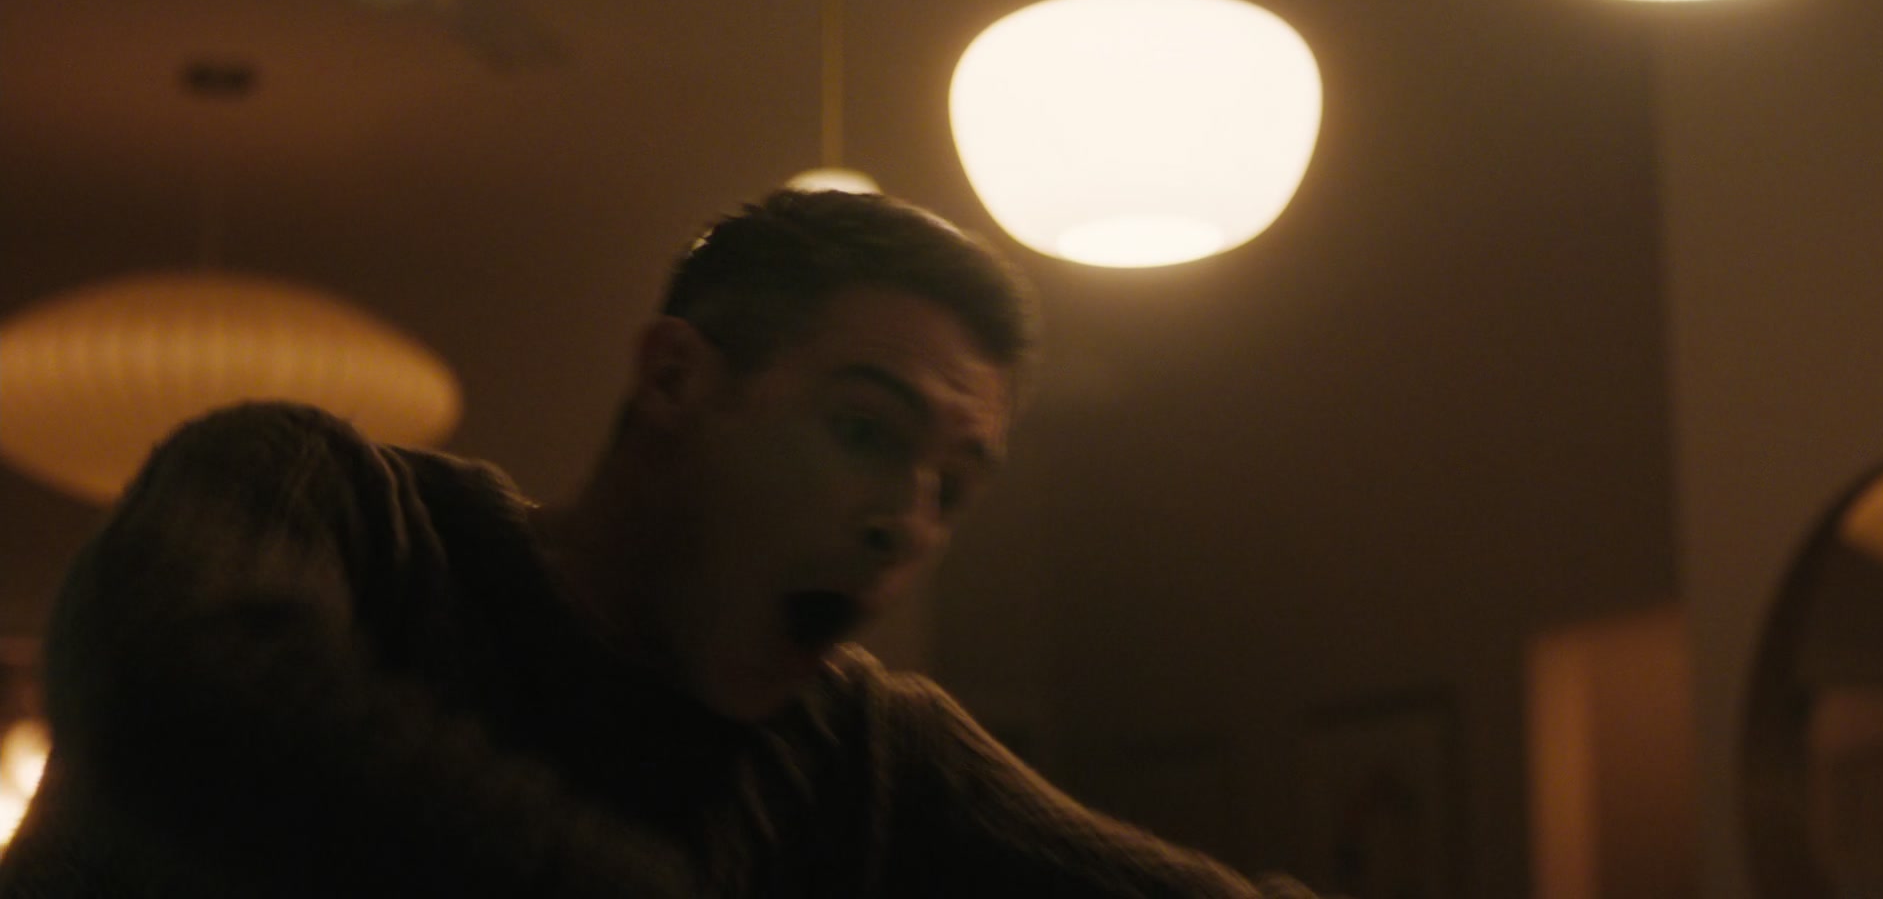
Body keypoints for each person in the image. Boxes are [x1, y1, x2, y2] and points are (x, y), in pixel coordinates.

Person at [0, 190, 1317, 897]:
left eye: (954, 488)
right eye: (866, 429)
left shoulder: (860, 755)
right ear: (676, 378)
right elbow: (180, 693)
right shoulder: (326, 501)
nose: (907, 519)